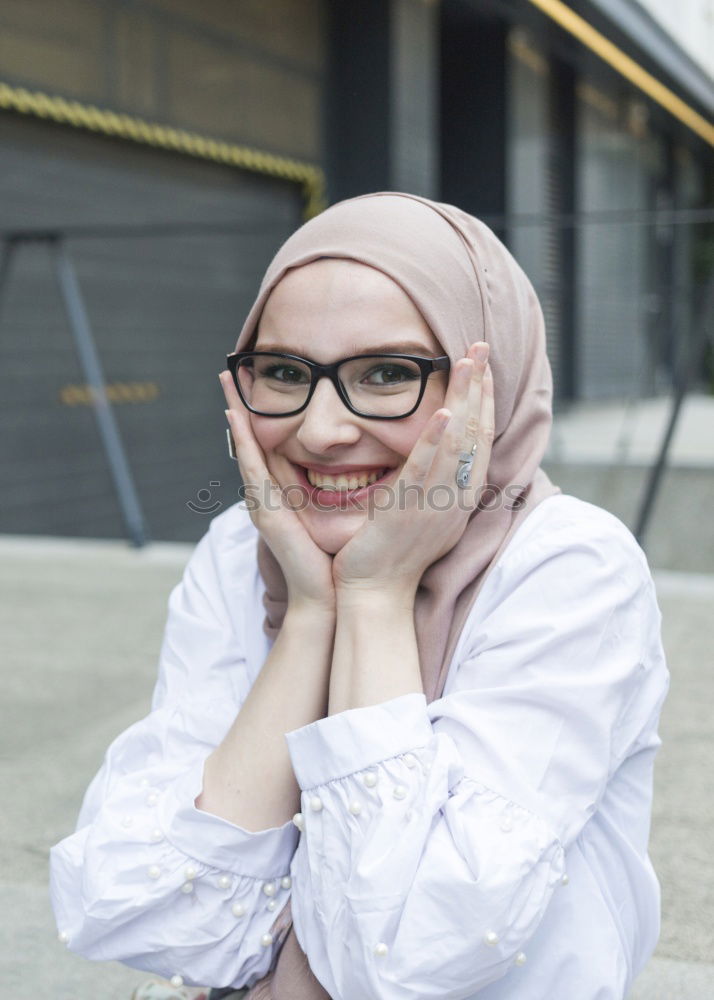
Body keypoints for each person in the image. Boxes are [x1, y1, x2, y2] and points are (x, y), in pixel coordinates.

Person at [49, 192, 669, 1000]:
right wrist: (311, 614)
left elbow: (402, 957)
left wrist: (375, 595)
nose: (321, 430)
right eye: (283, 373)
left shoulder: (569, 569)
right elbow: (143, 915)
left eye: (386, 374)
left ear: (489, 385)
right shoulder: (247, 551)